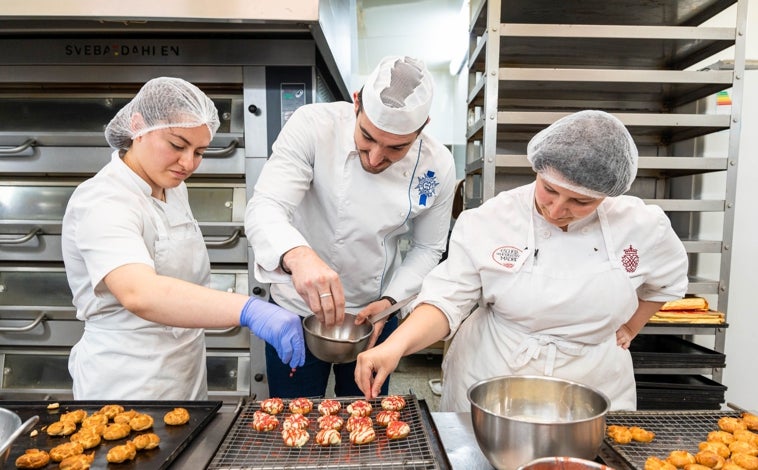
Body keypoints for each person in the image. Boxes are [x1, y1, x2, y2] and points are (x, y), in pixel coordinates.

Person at [354, 110, 689, 411]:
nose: (556, 210)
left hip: (592, 382)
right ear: (537, 170)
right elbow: (446, 300)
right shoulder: (493, 219)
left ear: (606, 195)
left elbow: (666, 283)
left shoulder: (642, 227)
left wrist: (631, 326)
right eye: (549, 190)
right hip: (495, 374)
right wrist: (394, 347)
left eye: (580, 201)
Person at [61, 77, 305, 400]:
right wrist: (248, 310)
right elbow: (140, 293)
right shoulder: (103, 200)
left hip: (184, 380)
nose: (188, 163)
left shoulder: (173, 189)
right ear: (138, 127)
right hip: (125, 385)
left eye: (199, 151)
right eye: (177, 146)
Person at [245, 56, 457, 398]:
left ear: (422, 128)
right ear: (356, 103)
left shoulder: (438, 166)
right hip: (297, 312)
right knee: (292, 414)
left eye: (396, 148)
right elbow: (266, 205)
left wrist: (391, 300)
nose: (375, 158)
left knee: (365, 418)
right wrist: (298, 257)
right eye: (368, 137)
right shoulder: (313, 125)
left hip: (373, 318)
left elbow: (428, 247)